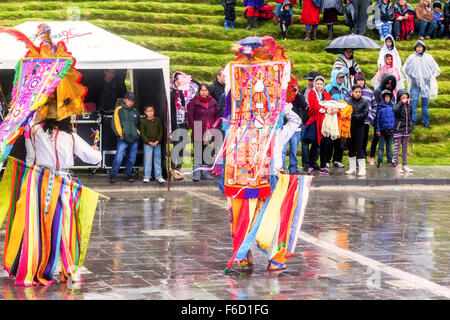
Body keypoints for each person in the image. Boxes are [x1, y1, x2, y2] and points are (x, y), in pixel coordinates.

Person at [402, 40, 441, 129]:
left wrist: (428, 77)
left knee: (425, 104)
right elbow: (406, 69)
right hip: (414, 85)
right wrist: (413, 77)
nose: (419, 49)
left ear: (423, 48)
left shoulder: (428, 57)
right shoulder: (411, 57)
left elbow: (434, 68)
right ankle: (412, 122)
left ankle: (425, 122)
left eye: (421, 47)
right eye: (417, 47)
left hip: (426, 85)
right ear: (415, 48)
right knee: (413, 104)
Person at [186, 84, 220, 182]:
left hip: (209, 130)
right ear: (199, 91)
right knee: (198, 152)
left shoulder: (213, 102)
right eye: (202, 90)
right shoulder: (194, 102)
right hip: (198, 128)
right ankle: (196, 173)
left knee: (206, 152)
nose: (204, 92)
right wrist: (193, 126)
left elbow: (216, 116)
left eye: (205, 90)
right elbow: (190, 115)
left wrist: (214, 128)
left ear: (208, 91)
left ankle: (205, 173)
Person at [305, 76, 334, 176]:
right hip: (315, 122)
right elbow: (315, 105)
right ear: (315, 84)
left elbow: (331, 103)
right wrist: (326, 109)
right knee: (315, 144)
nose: (319, 85)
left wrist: (334, 108)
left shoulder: (325, 93)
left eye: (321, 84)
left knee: (325, 145)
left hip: (324, 123)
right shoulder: (312, 93)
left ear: (323, 85)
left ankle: (323, 166)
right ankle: (311, 165)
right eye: (318, 83)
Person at [109, 92, 141, 183]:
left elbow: (139, 124)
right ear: (124, 100)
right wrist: (120, 134)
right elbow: (115, 123)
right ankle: (113, 175)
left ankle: (128, 175)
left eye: (132, 101)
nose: (131, 102)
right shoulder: (119, 109)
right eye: (129, 100)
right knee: (118, 158)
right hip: (123, 139)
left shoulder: (135, 112)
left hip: (134, 139)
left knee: (131, 159)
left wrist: (137, 133)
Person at [346, 72, 377, 161]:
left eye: (362, 80)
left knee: (363, 142)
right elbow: (346, 106)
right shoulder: (350, 92)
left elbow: (374, 105)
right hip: (353, 122)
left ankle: (362, 161)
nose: (361, 82)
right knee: (353, 143)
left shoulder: (370, 92)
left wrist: (371, 117)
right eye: (359, 80)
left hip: (366, 121)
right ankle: (354, 162)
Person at [325, 69, 349, 169]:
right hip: (332, 117)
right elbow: (325, 101)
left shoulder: (344, 88)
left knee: (340, 141)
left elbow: (347, 101)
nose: (340, 79)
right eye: (339, 77)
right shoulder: (328, 88)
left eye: (342, 77)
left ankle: (337, 160)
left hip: (342, 118)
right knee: (330, 140)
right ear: (334, 77)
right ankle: (326, 160)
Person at [281, 80, 307, 174]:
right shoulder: (284, 97)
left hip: (296, 128)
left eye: (294, 88)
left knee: (293, 150)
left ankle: (293, 168)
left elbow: (304, 106)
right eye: (291, 88)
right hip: (284, 127)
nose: (292, 90)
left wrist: (297, 94)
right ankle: (281, 169)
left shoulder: (299, 97)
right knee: (282, 150)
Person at [345, 84, 369, 176]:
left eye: (360, 92)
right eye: (356, 92)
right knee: (350, 147)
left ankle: (362, 169)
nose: (358, 93)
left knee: (359, 147)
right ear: (352, 92)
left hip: (360, 127)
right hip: (349, 127)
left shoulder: (364, 101)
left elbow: (365, 114)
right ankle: (352, 168)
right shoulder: (348, 101)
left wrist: (353, 117)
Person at [300, 71, 321, 174]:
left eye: (312, 80)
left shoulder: (321, 92)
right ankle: (306, 163)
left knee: (317, 143)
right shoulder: (304, 91)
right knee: (305, 143)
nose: (310, 82)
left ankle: (313, 162)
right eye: (309, 80)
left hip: (317, 120)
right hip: (305, 120)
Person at [170, 71, 187, 181]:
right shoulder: (171, 93)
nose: (179, 82)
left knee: (182, 147)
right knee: (176, 147)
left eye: (181, 80)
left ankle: (179, 169)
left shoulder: (183, 93)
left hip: (183, 123)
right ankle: (172, 169)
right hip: (175, 124)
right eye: (177, 79)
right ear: (174, 81)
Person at [141, 106, 165, 184]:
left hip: (157, 144)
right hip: (148, 144)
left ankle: (159, 176)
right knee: (148, 160)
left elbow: (161, 131)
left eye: (151, 111)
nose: (150, 112)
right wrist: (149, 142)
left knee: (157, 160)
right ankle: (147, 176)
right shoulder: (144, 121)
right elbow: (142, 133)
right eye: (148, 111)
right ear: (145, 113)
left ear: (154, 111)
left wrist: (157, 141)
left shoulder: (158, 120)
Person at [393, 89, 414, 173]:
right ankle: (396, 165)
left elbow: (410, 116)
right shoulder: (398, 105)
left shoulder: (409, 106)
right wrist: (401, 103)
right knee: (397, 149)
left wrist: (411, 125)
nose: (405, 99)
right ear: (399, 98)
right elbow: (395, 111)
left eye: (406, 97)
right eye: (403, 97)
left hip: (406, 130)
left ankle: (404, 165)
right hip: (399, 129)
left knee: (405, 149)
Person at [376, 90, 395, 167]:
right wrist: (378, 129)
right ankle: (379, 161)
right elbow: (377, 119)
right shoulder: (380, 107)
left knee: (390, 147)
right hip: (382, 130)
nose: (387, 98)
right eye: (385, 97)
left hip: (391, 130)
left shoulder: (394, 106)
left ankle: (390, 161)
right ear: (383, 98)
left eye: (388, 97)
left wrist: (395, 128)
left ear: (390, 98)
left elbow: (396, 118)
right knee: (380, 147)